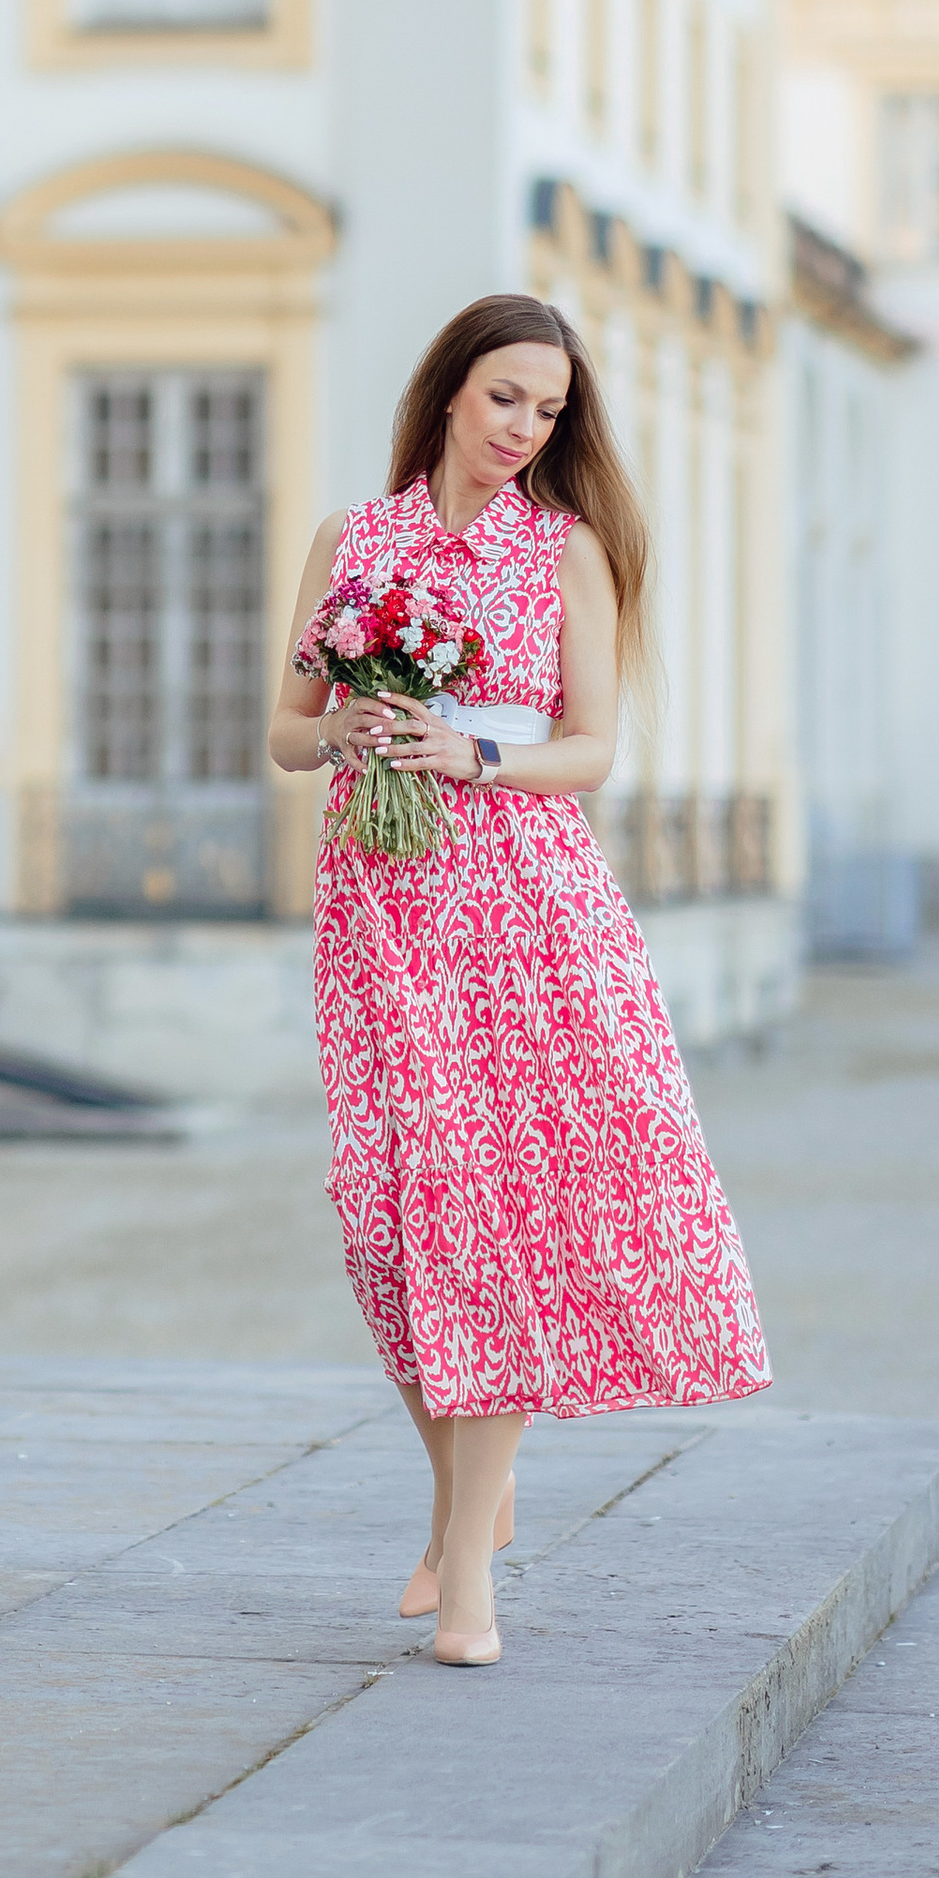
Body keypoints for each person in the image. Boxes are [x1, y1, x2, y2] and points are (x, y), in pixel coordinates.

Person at [268, 293, 769, 1669]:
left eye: (549, 410)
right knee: (386, 1222)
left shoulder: (567, 551)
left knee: (487, 1222)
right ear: (449, 391)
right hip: (380, 905)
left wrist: (473, 756)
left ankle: (471, 1579)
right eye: (505, 398)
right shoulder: (351, 541)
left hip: (525, 908)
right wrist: (356, 723)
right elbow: (285, 735)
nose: (525, 428)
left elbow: (592, 748)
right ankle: (463, 1504)